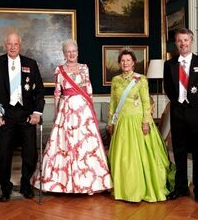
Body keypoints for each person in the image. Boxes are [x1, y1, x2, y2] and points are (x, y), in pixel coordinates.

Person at [32, 39, 112, 194]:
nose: (71, 54)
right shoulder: (59, 70)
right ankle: (58, 183)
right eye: (68, 51)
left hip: (83, 110)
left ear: (77, 52)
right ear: (64, 54)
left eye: (73, 51)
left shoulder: (84, 68)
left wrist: (90, 110)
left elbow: (88, 88)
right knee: (63, 145)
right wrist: (57, 114)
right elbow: (57, 93)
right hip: (66, 109)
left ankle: (89, 184)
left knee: (85, 144)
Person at [0, 33, 44, 202]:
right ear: (5, 45)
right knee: (3, 156)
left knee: (31, 154)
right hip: (5, 116)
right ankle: (5, 188)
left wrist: (37, 113)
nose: (12, 47)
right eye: (9, 44)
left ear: (20, 45)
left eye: (15, 44)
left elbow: (39, 91)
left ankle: (25, 184)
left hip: (26, 116)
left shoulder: (30, 64)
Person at [108, 48, 174, 202]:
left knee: (140, 157)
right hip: (122, 123)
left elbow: (146, 103)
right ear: (119, 63)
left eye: (128, 61)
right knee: (122, 158)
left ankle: (142, 189)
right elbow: (113, 103)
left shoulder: (141, 79)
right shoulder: (116, 80)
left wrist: (145, 122)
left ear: (133, 63)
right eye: (123, 61)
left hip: (138, 122)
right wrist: (111, 121)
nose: (125, 63)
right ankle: (124, 189)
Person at [164, 28, 198, 200]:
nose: (183, 43)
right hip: (177, 115)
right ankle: (181, 187)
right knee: (179, 152)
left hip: (196, 115)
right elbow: (168, 89)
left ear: (191, 41)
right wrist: (179, 103)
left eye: (185, 40)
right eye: (179, 40)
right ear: (176, 43)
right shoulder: (169, 64)